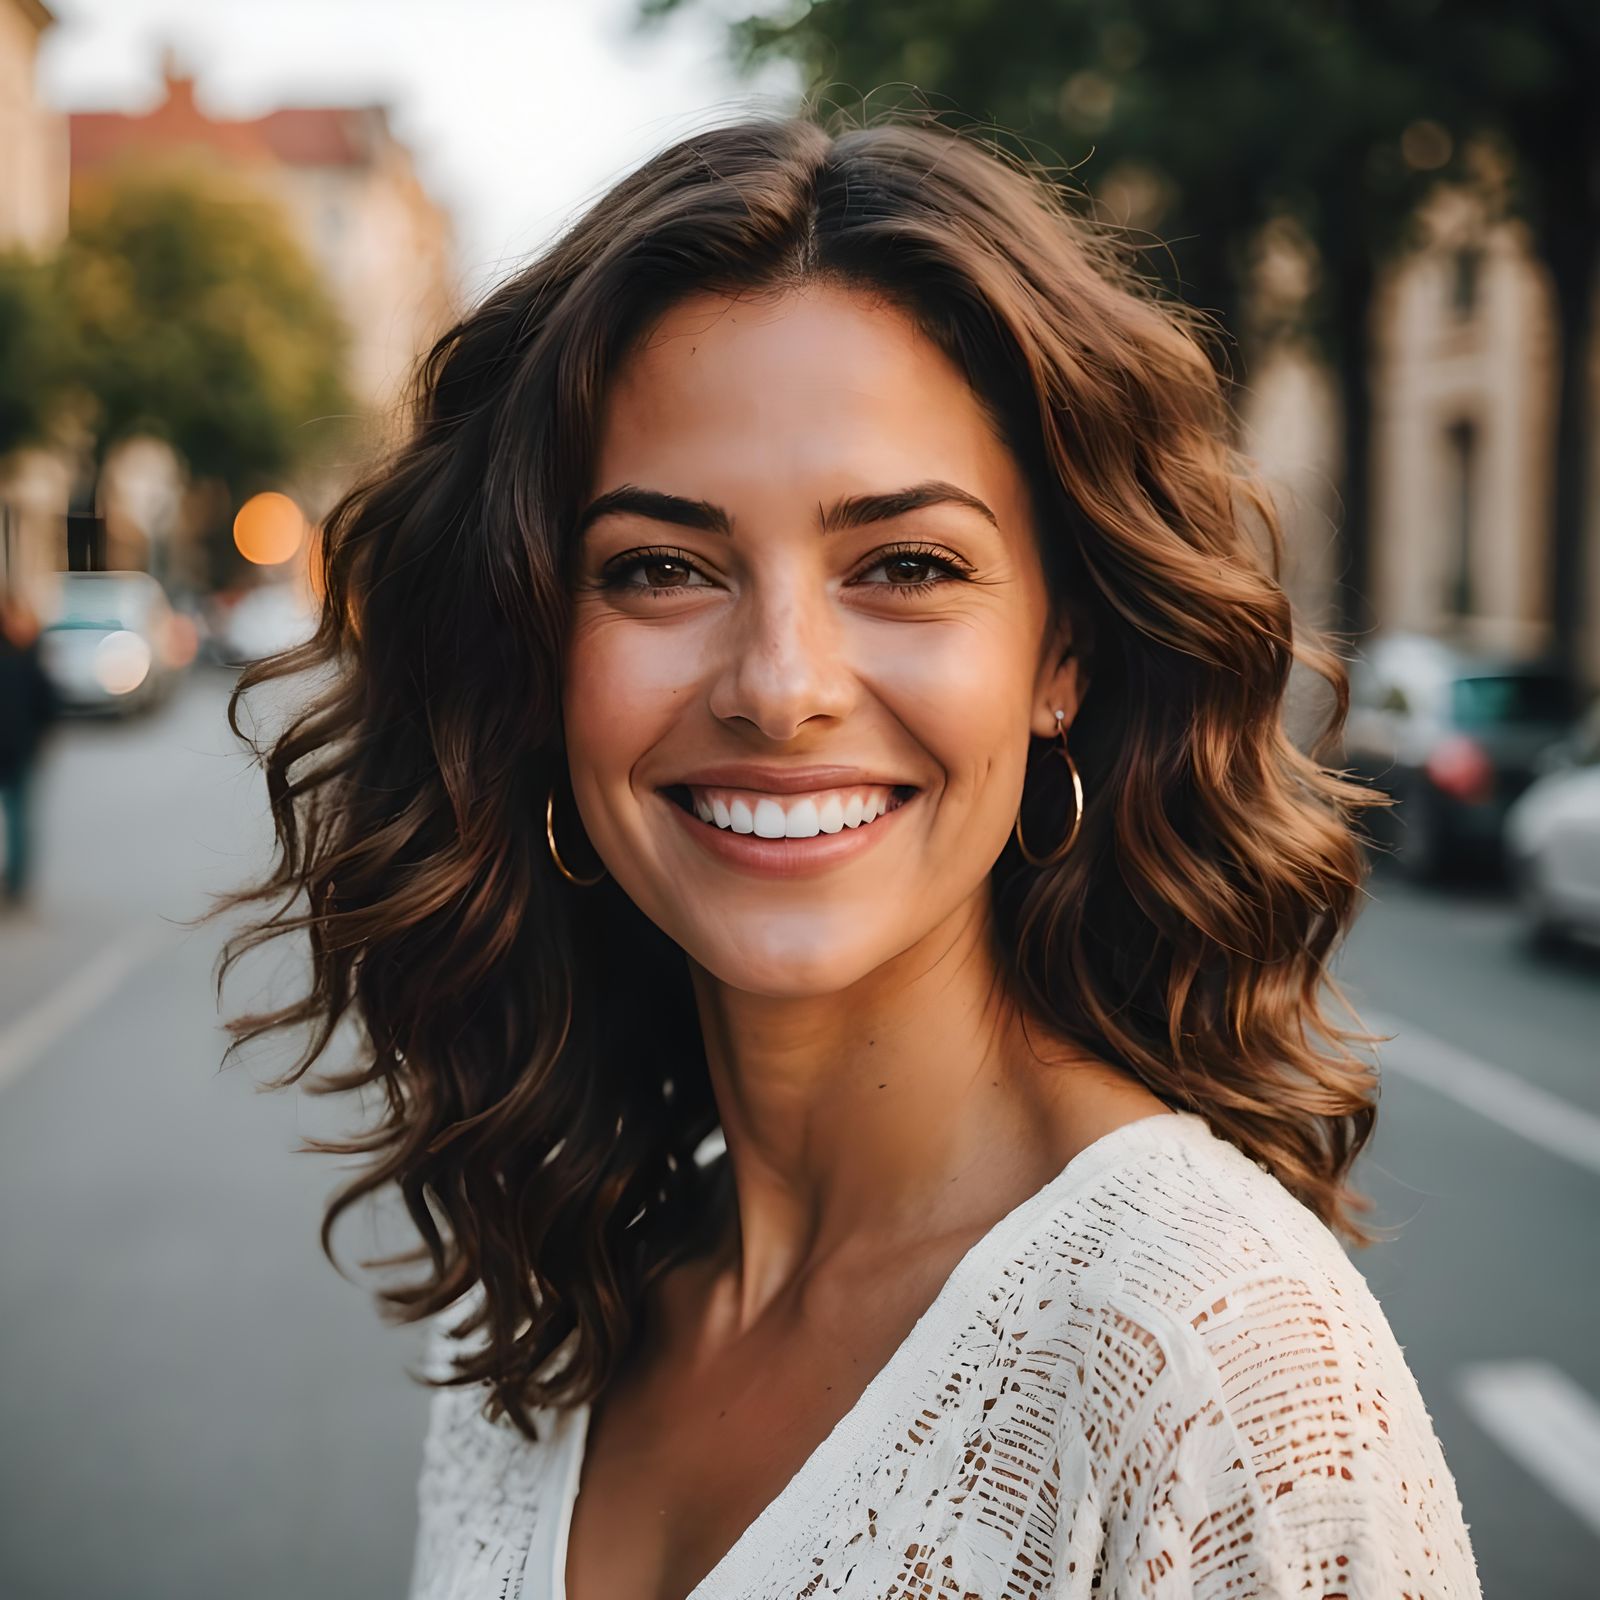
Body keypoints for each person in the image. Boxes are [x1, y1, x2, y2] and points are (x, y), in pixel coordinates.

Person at [219, 115, 1481, 1598]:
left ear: (1059, 652)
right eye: (658, 568)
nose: (781, 682)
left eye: (906, 565)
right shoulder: (546, 1305)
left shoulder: (1217, 1355)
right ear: (538, 653)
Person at [0, 590, 58, 910]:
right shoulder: (28, 656)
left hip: (18, 747)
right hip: (19, 746)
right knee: (19, 817)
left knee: (19, 818)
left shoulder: (29, 657)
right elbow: (48, 705)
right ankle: (17, 881)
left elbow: (46, 705)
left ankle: (18, 880)